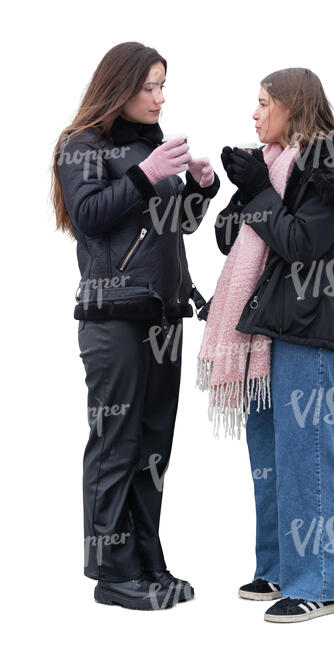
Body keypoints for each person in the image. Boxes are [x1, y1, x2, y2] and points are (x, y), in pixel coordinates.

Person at [197, 67, 334, 623]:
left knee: (308, 454)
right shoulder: (273, 165)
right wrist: (237, 189)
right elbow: (229, 238)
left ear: (293, 108)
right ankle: (278, 568)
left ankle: (321, 582)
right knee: (270, 456)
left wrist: (256, 190)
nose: (254, 113)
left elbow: (302, 242)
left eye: (263, 102)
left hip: (308, 326)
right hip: (265, 333)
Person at [51, 41, 220, 610]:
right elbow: (91, 217)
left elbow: (178, 226)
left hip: (164, 316)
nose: (158, 97)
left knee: (153, 447)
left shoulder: (151, 145)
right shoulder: (81, 146)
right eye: (148, 86)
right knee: (116, 442)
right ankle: (112, 572)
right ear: (118, 86)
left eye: (162, 85)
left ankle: (147, 561)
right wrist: (149, 175)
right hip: (112, 315)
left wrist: (197, 187)